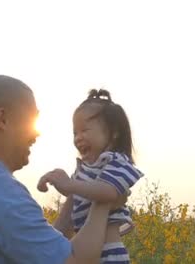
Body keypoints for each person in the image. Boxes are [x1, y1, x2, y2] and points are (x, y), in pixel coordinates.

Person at [0, 75, 120, 264]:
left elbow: (44, 251)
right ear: (3, 119)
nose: (37, 132)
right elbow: (76, 261)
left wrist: (77, 189)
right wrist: (106, 193)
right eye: (31, 119)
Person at [38, 89, 144, 263]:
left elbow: (109, 192)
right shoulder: (85, 169)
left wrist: (70, 185)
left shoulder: (115, 160)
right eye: (75, 133)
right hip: (85, 248)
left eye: (84, 130)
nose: (78, 138)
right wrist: (56, 181)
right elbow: (79, 194)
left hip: (108, 253)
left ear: (113, 132)